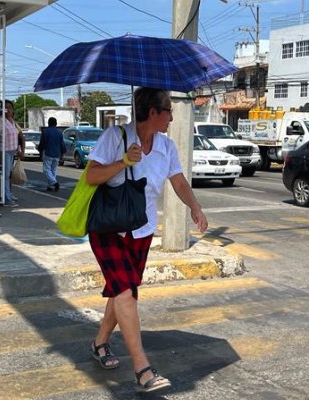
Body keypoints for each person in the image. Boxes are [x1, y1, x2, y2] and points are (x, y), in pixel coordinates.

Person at [84, 87, 208, 394]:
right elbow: (90, 176)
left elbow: (177, 180)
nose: (171, 117)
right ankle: (142, 367)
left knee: (121, 290)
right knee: (126, 291)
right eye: (168, 111)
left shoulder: (166, 145)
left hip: (142, 229)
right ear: (152, 112)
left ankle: (100, 342)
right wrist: (124, 161)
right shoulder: (116, 137)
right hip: (109, 228)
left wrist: (195, 206)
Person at [1, 100, 24, 206]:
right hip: (5, 151)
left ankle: (8, 195)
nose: (8, 110)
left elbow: (18, 137)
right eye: (6, 107)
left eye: (10, 107)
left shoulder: (12, 121)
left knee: (8, 175)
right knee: (5, 176)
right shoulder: (1, 121)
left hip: (12, 151)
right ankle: (6, 198)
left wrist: (19, 149)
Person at [37, 117, 66, 191]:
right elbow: (62, 144)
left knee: (46, 169)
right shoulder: (59, 132)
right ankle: (50, 185)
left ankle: (54, 182)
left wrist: (40, 152)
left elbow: (42, 143)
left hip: (48, 153)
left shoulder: (45, 132)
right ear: (56, 123)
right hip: (57, 154)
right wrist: (62, 153)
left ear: (48, 123)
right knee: (53, 170)